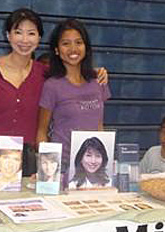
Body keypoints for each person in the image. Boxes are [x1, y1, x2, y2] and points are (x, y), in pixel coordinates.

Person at [0, 8, 108, 177]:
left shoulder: (45, 73)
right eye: (18, 32)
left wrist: (96, 73)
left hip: (27, 160)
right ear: (8, 35)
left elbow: (73, 72)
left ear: (39, 38)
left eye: (31, 33)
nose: (24, 40)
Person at [37, 18, 111, 172]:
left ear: (86, 47)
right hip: (62, 166)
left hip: (93, 165)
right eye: (66, 43)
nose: (73, 49)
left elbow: (99, 126)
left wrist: (104, 162)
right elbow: (42, 132)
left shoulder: (98, 81)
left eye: (78, 42)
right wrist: (47, 171)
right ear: (57, 50)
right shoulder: (52, 85)